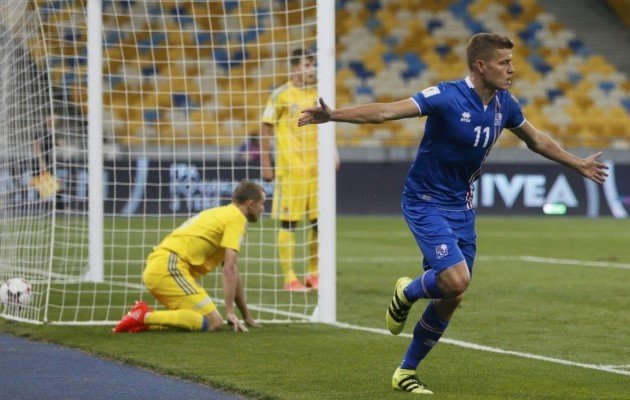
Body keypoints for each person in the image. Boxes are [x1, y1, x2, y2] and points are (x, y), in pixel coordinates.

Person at [299, 33, 609, 394]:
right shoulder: (446, 96)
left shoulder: (505, 104)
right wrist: (332, 115)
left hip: (462, 206)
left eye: (511, 62)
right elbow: (385, 112)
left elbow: (536, 139)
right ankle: (408, 291)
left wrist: (577, 164)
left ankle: (405, 371)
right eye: (504, 63)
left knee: (453, 295)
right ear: (481, 66)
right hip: (425, 200)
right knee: (457, 280)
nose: (512, 69)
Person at [114, 181, 266, 333]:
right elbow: (229, 269)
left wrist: (246, 316)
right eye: (261, 204)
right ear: (251, 204)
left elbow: (232, 271)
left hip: (162, 266)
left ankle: (141, 322)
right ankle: (144, 316)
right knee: (214, 321)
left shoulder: (223, 213)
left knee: (201, 320)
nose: (262, 209)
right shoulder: (236, 218)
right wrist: (230, 312)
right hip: (169, 268)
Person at [260, 48, 327, 291]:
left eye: (313, 65)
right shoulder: (281, 95)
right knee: (289, 223)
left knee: (318, 223)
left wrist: (333, 153)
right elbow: (265, 127)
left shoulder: (317, 94)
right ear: (295, 67)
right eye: (307, 65)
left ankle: (313, 273)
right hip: (290, 171)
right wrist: (266, 163)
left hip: (315, 171)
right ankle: (289, 277)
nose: (311, 70)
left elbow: (326, 125)